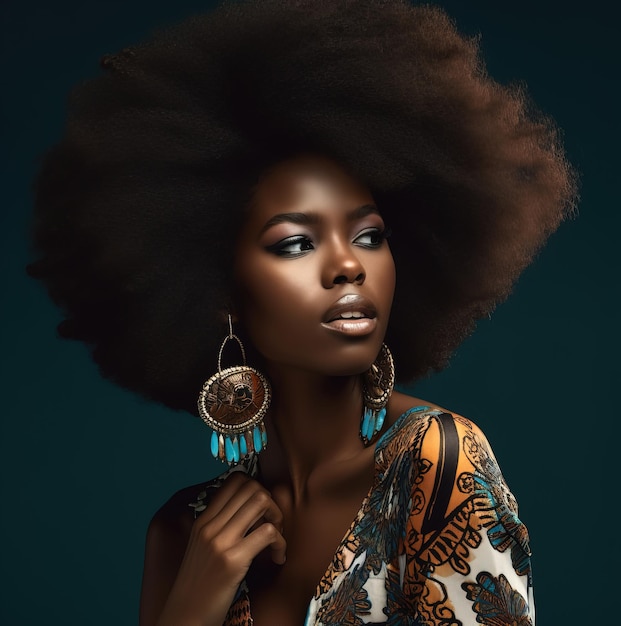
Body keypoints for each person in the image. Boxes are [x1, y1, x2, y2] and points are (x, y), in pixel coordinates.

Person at [27, 0, 577, 624]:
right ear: (220, 293)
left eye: (370, 235)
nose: (349, 266)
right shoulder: (184, 533)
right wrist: (192, 605)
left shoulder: (435, 463)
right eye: (296, 243)